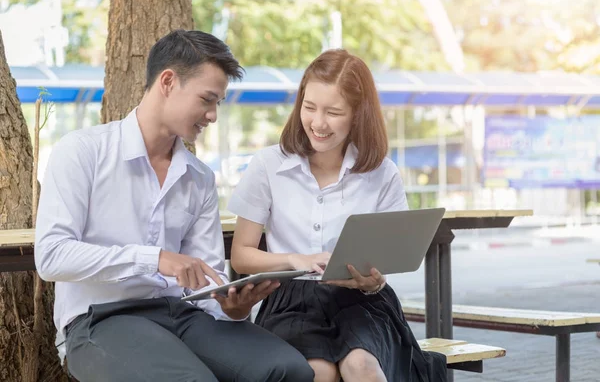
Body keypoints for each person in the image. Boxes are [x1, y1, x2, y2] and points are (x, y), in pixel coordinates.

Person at [35, 29, 314, 382]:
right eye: (207, 99)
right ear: (168, 81)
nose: (212, 115)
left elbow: (205, 286)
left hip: (182, 317)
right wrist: (155, 258)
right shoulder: (82, 152)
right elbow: (51, 257)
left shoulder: (198, 178)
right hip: (99, 319)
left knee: (289, 370)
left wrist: (235, 307)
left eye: (217, 104)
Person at [228, 49, 448, 382]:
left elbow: (388, 258)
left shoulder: (381, 173)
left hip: (363, 302)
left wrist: (375, 281)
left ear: (358, 114)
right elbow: (241, 256)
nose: (318, 123)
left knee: (363, 367)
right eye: (309, 107)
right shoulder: (268, 166)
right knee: (316, 373)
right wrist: (295, 259)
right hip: (292, 302)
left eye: (333, 112)